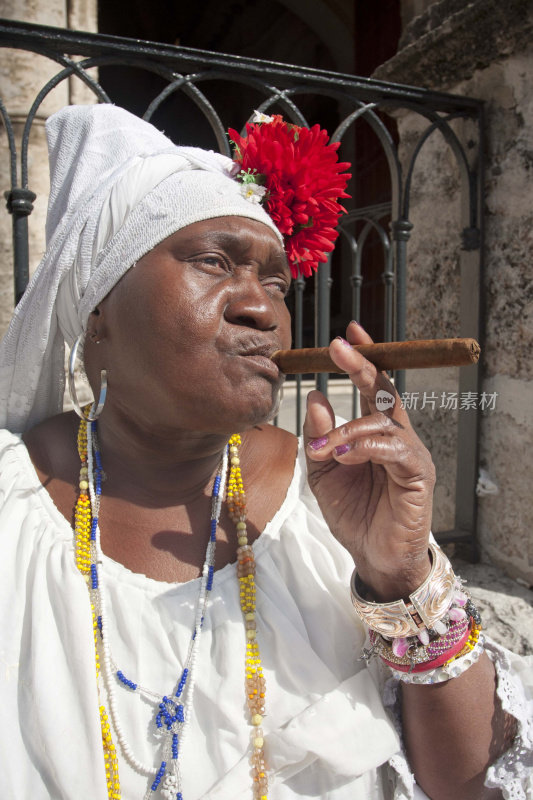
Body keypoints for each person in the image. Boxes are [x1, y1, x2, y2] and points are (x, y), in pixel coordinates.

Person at [0, 104, 530, 800]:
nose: (263, 309)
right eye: (213, 262)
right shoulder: (13, 509)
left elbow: (463, 788)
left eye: (276, 281)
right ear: (96, 310)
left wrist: (400, 578)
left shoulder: (332, 501)